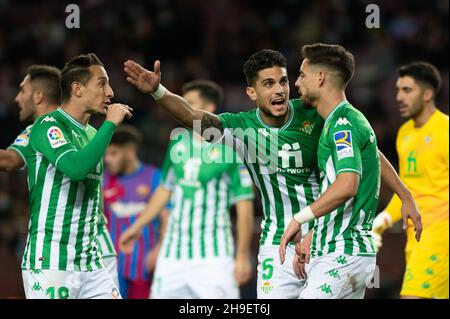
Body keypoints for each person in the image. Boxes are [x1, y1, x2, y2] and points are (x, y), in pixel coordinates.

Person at [123, 49, 421, 299]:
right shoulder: (240, 128)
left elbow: (365, 149)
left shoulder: (314, 115)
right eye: (268, 84)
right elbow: (192, 117)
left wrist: (403, 191)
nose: (279, 89)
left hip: (323, 238)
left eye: (283, 81)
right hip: (276, 246)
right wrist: (158, 92)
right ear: (252, 92)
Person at [280, 43, 422, 299]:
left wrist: (299, 219)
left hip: (343, 253)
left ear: (320, 77)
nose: (297, 83)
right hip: (339, 251)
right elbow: (373, 154)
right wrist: (405, 194)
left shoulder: (342, 124)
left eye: (302, 74)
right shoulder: (342, 121)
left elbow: (347, 186)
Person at [119, 80, 255, 298]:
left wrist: (242, 255)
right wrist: (138, 226)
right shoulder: (177, 143)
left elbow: (244, 204)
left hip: (213, 255)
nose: (180, 109)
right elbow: (165, 188)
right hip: (172, 254)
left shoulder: (231, 149)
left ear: (208, 108)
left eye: (189, 103)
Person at [21, 53, 132, 299]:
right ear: (77, 89)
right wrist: (111, 124)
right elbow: (75, 168)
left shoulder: (93, 133)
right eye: (102, 83)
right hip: (51, 261)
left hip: (90, 262)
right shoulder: (48, 125)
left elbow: (93, 189)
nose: (110, 92)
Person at [372, 62, 448, 299]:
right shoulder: (404, 134)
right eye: (397, 90)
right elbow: (407, 192)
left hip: (439, 235)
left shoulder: (445, 131)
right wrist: (381, 222)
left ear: (427, 94)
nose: (399, 97)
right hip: (414, 239)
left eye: (407, 90)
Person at [103, 125, 167, 299]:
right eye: (106, 154)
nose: (107, 159)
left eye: (113, 154)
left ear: (130, 152)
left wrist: (159, 249)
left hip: (144, 265)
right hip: (111, 266)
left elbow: (167, 217)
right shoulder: (103, 180)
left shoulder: (155, 177)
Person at [1, 65, 60, 172]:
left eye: (22, 91)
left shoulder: (42, 129)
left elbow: (10, 160)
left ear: (38, 96)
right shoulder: (82, 127)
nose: (17, 98)